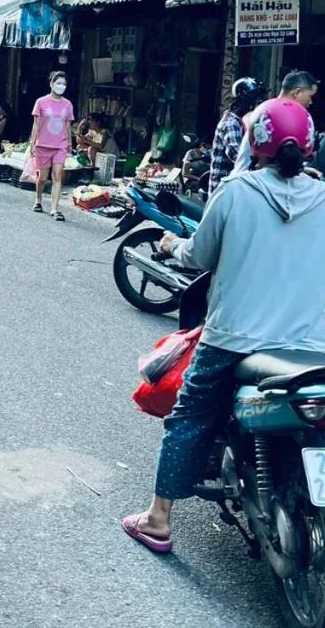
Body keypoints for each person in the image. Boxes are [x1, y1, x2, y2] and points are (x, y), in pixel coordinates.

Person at [122, 97, 325, 555]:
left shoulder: (235, 193)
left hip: (235, 338)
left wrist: (170, 245)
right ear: (309, 146)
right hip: (311, 346)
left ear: (255, 143)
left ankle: (157, 519)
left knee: (190, 416)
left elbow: (198, 256)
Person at [232, 69, 317, 176]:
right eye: (310, 96)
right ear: (297, 92)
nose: (310, 102)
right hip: (252, 181)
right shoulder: (268, 115)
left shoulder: (272, 112)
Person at [207, 76, 264, 196]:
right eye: (255, 99)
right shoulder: (231, 123)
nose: (258, 103)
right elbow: (237, 155)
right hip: (223, 192)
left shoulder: (244, 121)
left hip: (236, 187)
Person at [29, 71, 75, 220]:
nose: (61, 86)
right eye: (58, 83)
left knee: (57, 176)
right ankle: (38, 200)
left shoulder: (68, 104)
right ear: (51, 84)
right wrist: (32, 143)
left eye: (64, 84)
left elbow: (67, 125)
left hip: (60, 145)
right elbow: (36, 125)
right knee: (42, 178)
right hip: (42, 144)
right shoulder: (41, 102)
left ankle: (55, 209)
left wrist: (69, 143)